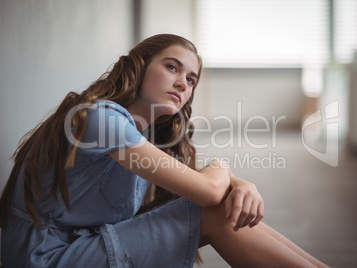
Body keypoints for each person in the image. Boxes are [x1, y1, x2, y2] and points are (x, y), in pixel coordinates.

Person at [0, 34, 329, 268]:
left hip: (76, 245)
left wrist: (243, 185)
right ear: (139, 65)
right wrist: (224, 169)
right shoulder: (101, 119)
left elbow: (204, 186)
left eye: (191, 79)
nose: (184, 83)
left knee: (224, 207)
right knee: (216, 212)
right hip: (45, 257)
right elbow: (209, 191)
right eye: (172, 67)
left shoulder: (143, 137)